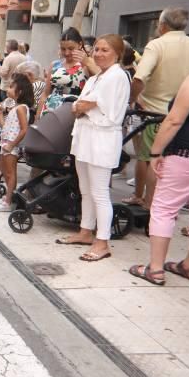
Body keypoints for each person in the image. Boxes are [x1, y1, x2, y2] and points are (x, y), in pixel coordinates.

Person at [57, 35, 130, 261]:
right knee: (85, 190)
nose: (98, 53)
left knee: (99, 192)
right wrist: (84, 106)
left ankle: (102, 241)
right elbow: (81, 105)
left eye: (104, 50)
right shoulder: (97, 77)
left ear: (117, 53)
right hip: (86, 138)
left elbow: (87, 105)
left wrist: (83, 106)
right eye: (96, 49)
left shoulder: (117, 76)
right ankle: (85, 231)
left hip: (102, 139)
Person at [129, 73, 189, 284]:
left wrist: (156, 153)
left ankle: (155, 269)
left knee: (164, 209)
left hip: (185, 154)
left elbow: (174, 120)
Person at [127, 8, 189, 209]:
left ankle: (147, 202)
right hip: (187, 113)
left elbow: (139, 77)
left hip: (154, 111)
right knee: (180, 160)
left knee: (149, 158)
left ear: (162, 25)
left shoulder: (156, 45)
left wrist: (134, 98)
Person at [0, 74, 33, 212]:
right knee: (5, 170)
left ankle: (7, 201)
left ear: (19, 92)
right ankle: (9, 196)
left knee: (10, 173)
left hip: (10, 145)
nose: (8, 89)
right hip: (5, 143)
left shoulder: (21, 108)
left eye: (11, 87)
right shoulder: (16, 107)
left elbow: (24, 129)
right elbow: (4, 126)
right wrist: (0, 114)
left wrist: (12, 145)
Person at [39, 28, 95, 115]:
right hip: (49, 111)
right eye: (63, 49)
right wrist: (38, 116)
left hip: (73, 112)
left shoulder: (87, 64)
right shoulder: (55, 65)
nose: (67, 53)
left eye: (71, 48)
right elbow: (45, 94)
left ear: (80, 45)